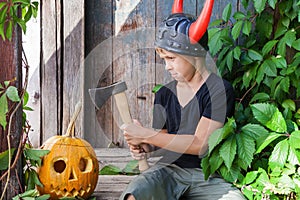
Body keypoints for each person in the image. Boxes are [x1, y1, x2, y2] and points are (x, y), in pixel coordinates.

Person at [119, 0, 245, 199]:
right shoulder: (164, 94)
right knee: (135, 194)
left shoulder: (218, 90)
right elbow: (162, 138)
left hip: (207, 176)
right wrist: (144, 144)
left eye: (171, 58)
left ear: (195, 55)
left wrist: (146, 135)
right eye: (164, 60)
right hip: (168, 171)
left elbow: (200, 144)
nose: (167, 66)